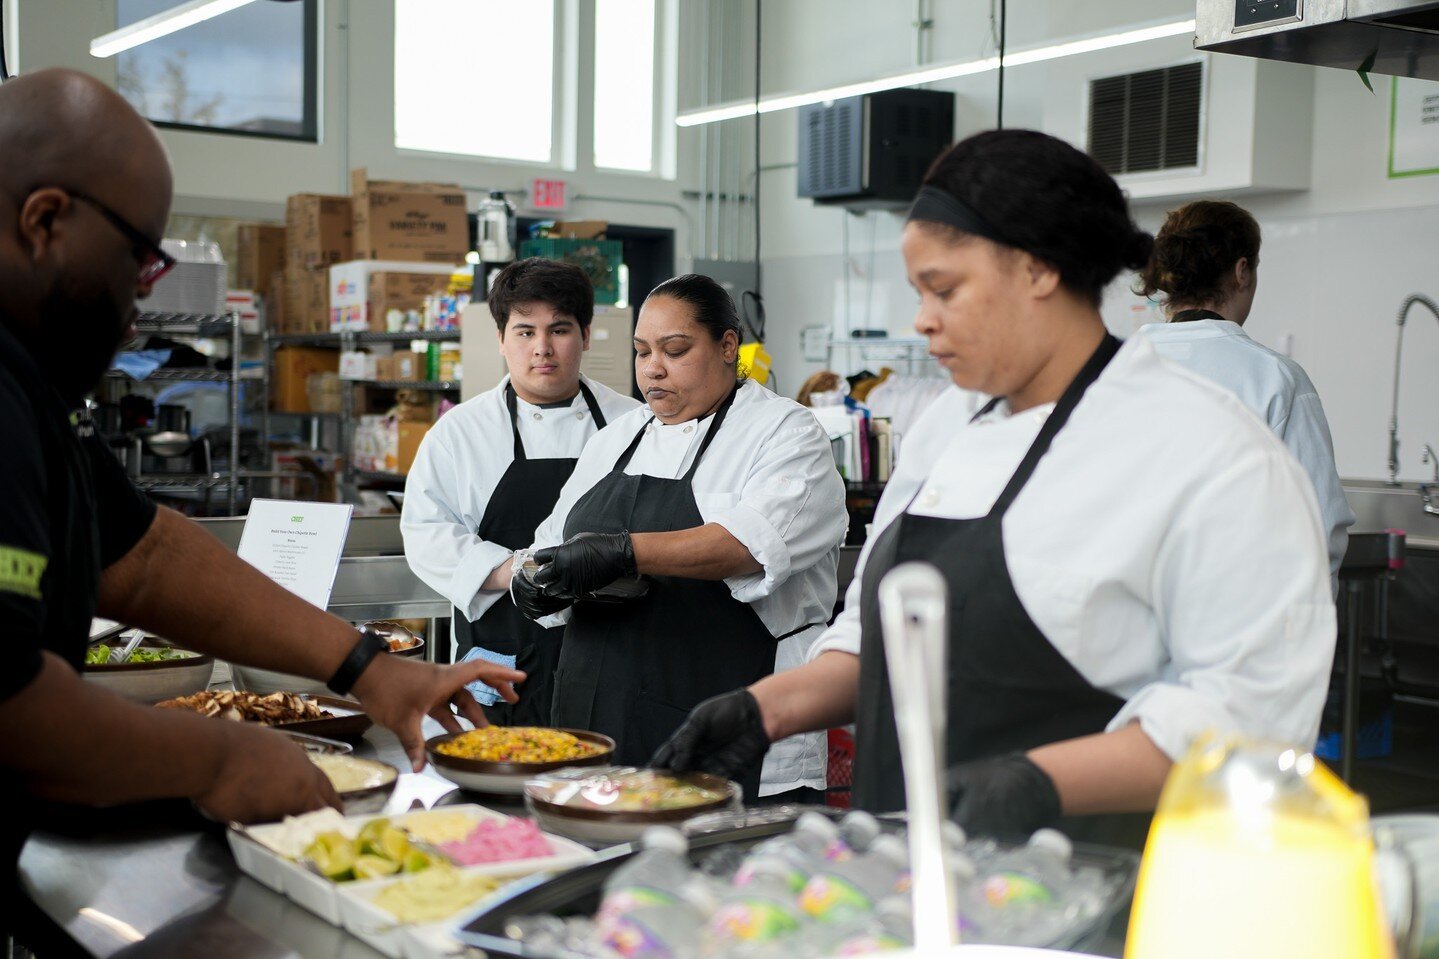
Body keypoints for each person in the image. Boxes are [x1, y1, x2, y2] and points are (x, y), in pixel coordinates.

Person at [652, 130, 1336, 845]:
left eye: (942, 289)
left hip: (1084, 883)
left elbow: (1250, 715)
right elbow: (876, 633)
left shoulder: (1206, 451)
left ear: (1037, 268)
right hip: (901, 863)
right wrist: (767, 708)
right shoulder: (950, 422)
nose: (921, 319)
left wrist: (1035, 781)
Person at [0, 69, 524, 942]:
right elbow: (10, 703)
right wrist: (222, 755)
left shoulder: (30, 384)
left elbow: (147, 556)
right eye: (141, 260)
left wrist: (367, 666)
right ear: (45, 219)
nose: (142, 306)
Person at [513, 274, 847, 801]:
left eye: (675, 349)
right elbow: (549, 542)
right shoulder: (617, 439)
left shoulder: (785, 432)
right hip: (600, 717)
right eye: (642, 351)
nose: (653, 368)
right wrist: (532, 580)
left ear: (728, 345)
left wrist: (622, 553)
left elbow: (745, 546)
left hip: (730, 722)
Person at [401, 258, 638, 724]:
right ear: (501, 340)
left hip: (613, 649)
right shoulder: (459, 433)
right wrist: (516, 570)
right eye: (525, 332)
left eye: (560, 330)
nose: (542, 349)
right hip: (501, 657)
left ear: (586, 336)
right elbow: (425, 533)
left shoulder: (633, 424)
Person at [1134, 199, 1353, 590]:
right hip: (1236, 622)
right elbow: (1318, 526)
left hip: (1122, 624)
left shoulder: (1111, 368)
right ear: (1242, 271)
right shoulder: (1275, 378)